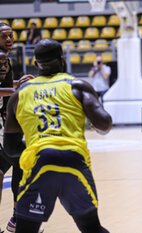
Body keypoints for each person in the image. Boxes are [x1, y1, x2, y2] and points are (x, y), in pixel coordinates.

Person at [3, 38, 112, 233]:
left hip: (40, 158)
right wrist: (96, 125)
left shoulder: (19, 95)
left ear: (36, 64)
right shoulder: (77, 85)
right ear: (62, 60)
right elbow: (105, 123)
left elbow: (10, 149)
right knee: (91, 227)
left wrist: (36, 152)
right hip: (74, 159)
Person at [0, 22, 38, 233]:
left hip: (4, 125)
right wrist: (16, 89)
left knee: (18, 166)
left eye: (11, 35)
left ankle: (17, 219)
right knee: (23, 165)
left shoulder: (5, 59)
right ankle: (18, 219)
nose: (9, 39)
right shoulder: (1, 58)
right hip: (3, 129)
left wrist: (16, 84)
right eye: (4, 36)